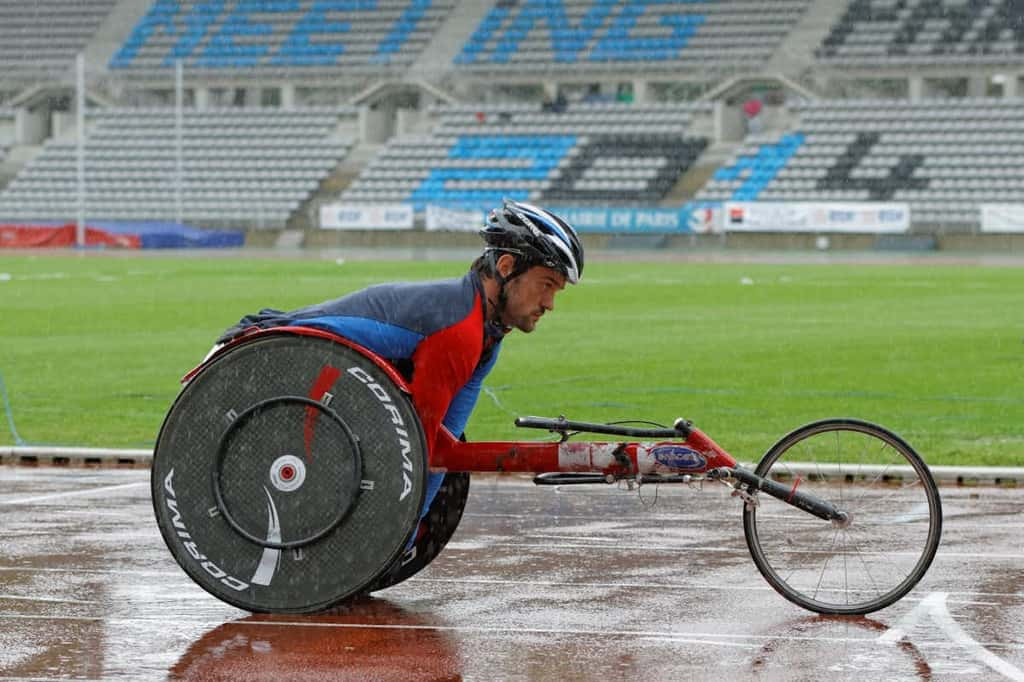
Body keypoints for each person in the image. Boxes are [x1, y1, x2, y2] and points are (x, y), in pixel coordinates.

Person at [212, 199, 584, 530]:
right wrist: (388, 540)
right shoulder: (459, 330)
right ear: (505, 267)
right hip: (274, 361)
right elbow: (415, 451)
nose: (550, 303)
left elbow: (439, 452)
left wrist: (406, 537)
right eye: (546, 285)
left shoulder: (486, 334)